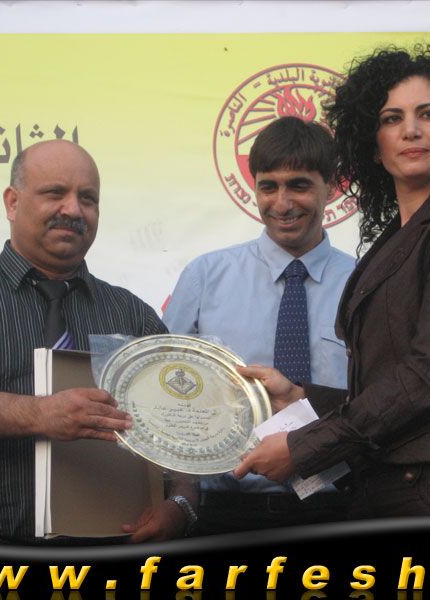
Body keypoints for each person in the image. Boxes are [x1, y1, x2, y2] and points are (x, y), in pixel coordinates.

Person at [234, 44, 430, 518]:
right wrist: (301, 396)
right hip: (388, 488)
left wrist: (304, 447)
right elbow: (386, 393)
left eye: (428, 114)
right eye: (392, 118)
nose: (410, 130)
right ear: (372, 143)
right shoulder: (396, 239)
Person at [0, 139, 196, 544]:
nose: (73, 210)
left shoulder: (132, 313)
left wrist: (180, 504)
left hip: (110, 548)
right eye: (55, 193)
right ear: (12, 202)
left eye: (87, 198)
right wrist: (43, 414)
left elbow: (180, 426)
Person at [164, 116, 356, 534]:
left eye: (299, 185)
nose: (282, 204)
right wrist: (178, 500)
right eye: (269, 187)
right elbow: (167, 396)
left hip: (338, 510)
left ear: (330, 187)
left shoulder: (364, 285)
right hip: (223, 515)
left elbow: (381, 403)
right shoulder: (205, 277)